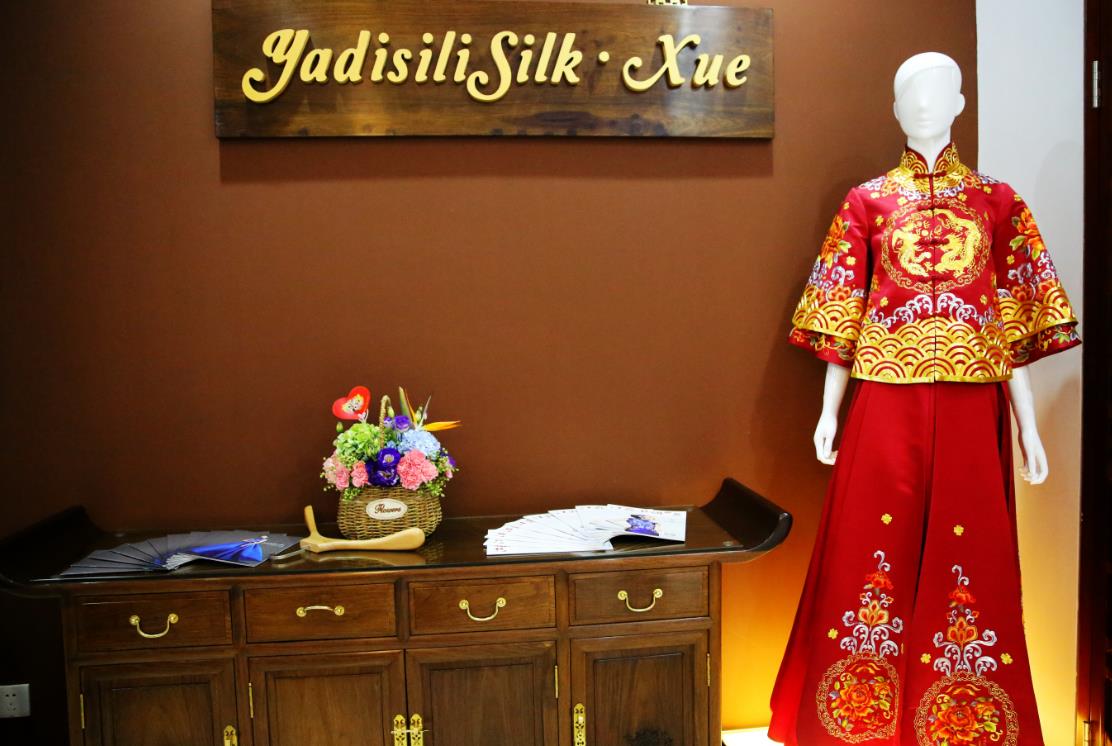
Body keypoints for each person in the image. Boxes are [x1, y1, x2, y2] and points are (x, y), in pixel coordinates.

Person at [768, 52, 1080, 745]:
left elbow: (1012, 321)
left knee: (973, 560)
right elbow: (843, 312)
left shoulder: (998, 202)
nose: (924, 103)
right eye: (909, 92)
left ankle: (963, 722)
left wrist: (1028, 426)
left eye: (938, 90)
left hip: (973, 402)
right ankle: (857, 722)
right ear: (893, 108)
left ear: (962, 103)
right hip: (884, 399)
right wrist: (829, 411)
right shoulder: (867, 200)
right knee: (866, 549)